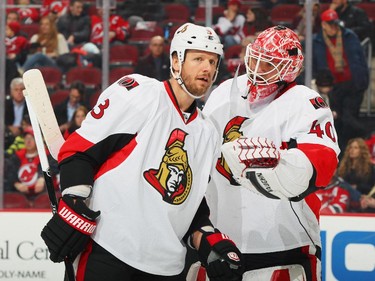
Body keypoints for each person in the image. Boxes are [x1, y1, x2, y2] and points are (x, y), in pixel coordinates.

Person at [40, 23, 243, 281]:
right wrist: (75, 200)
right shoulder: (140, 94)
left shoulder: (209, 133)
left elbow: (191, 202)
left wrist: (206, 236)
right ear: (176, 61)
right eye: (199, 58)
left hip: (165, 267)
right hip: (108, 250)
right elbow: (80, 149)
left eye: (213, 61)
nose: (207, 68)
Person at [202, 25, 340, 280]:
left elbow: (322, 164)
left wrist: (282, 163)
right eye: (255, 58)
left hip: (284, 243)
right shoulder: (223, 92)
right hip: (222, 238)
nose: (256, 68)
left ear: (289, 68)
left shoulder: (307, 102)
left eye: (268, 64)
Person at [313, 9, 369, 153]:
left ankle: (357, 145)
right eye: (330, 24)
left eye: (335, 23)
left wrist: (363, 81)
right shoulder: (317, 41)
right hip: (332, 87)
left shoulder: (349, 36)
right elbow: (314, 63)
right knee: (335, 120)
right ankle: (340, 152)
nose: (334, 27)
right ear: (324, 24)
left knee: (349, 118)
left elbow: (360, 59)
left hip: (352, 84)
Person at [336, 137, 375, 211]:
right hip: (345, 197)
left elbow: (370, 186)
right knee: (340, 183)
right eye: (350, 148)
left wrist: (356, 187)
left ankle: (362, 200)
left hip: (363, 196)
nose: (352, 150)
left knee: (341, 182)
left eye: (356, 148)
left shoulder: (370, 167)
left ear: (362, 150)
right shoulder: (344, 167)